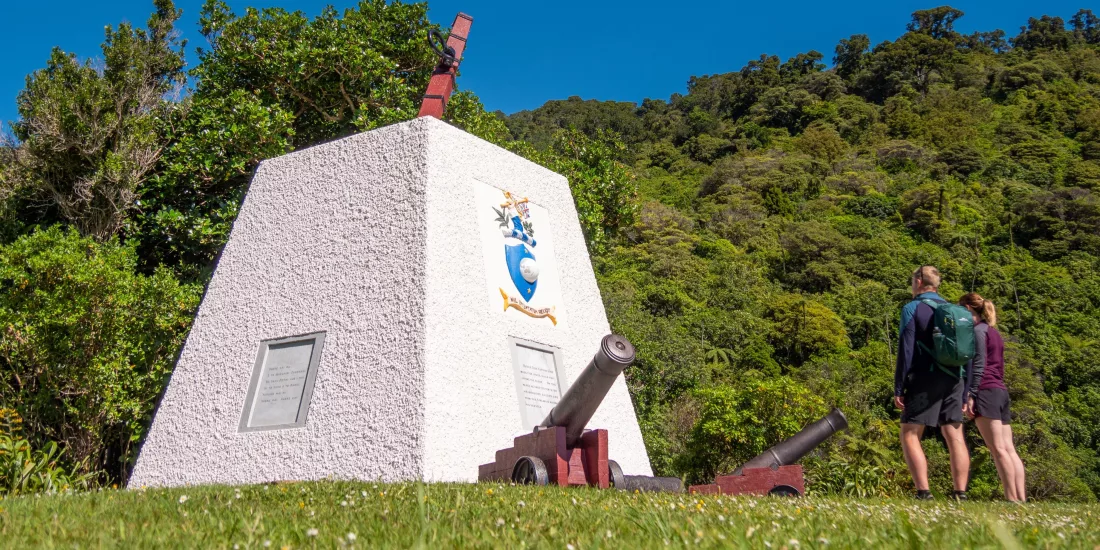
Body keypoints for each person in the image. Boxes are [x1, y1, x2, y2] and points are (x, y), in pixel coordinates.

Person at [894, 265, 970, 500]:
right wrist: (966, 390)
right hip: (955, 378)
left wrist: (899, 386)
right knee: (955, 433)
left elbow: (906, 349)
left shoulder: (912, 308)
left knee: (910, 432)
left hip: (925, 376)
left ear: (918, 281)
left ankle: (924, 492)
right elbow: (968, 351)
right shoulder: (956, 310)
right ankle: (960, 493)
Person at [959, 292, 1026, 502]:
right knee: (1009, 449)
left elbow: (978, 366)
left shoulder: (978, 332)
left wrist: (971, 394)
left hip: (986, 390)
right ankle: (1021, 498)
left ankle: (1012, 499)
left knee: (998, 449)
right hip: (1000, 391)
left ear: (969, 309)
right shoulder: (993, 332)